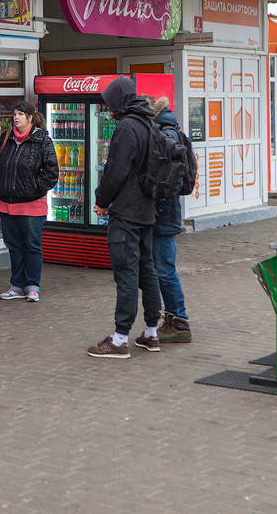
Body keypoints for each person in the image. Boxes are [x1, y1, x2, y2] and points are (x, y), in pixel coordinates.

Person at [87, 76, 161, 359]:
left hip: (127, 213)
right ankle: (152, 333)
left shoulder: (126, 128)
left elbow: (116, 172)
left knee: (127, 274)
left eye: (109, 103)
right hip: (147, 211)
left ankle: (119, 339)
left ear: (118, 101)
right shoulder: (147, 123)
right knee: (147, 270)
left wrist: (102, 201)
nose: (108, 109)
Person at [0, 101, 59, 302]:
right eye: (14, 114)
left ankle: (33, 285)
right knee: (14, 245)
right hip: (7, 203)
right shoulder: (6, 138)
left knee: (31, 245)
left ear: (30, 117)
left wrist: (33, 188)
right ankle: (17, 285)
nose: (16, 118)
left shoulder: (42, 140)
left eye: (20, 114)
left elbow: (51, 172)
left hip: (32, 205)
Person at [143, 96, 192, 343]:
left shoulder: (165, 135)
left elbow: (173, 180)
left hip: (164, 213)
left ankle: (179, 321)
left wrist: (151, 191)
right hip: (164, 211)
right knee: (161, 268)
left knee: (164, 269)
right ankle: (174, 319)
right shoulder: (168, 129)